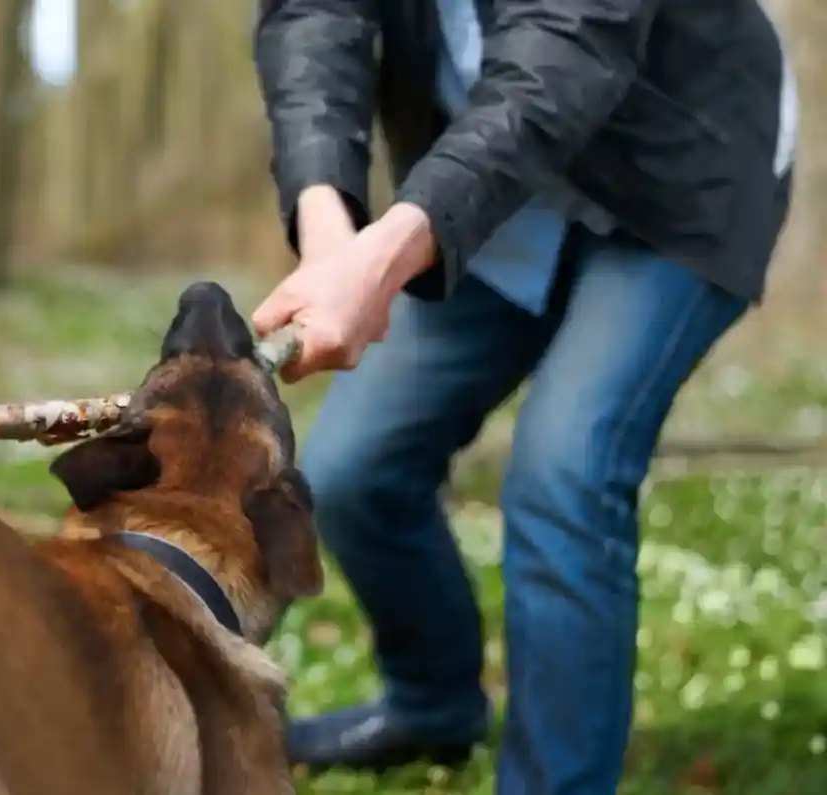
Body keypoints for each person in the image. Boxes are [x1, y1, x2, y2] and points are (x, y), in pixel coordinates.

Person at [250, 1, 798, 794]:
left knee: (564, 472)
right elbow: (312, 15)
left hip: (679, 170)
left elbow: (566, 49)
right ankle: (433, 706)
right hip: (490, 178)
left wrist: (388, 256)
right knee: (350, 470)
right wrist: (329, 224)